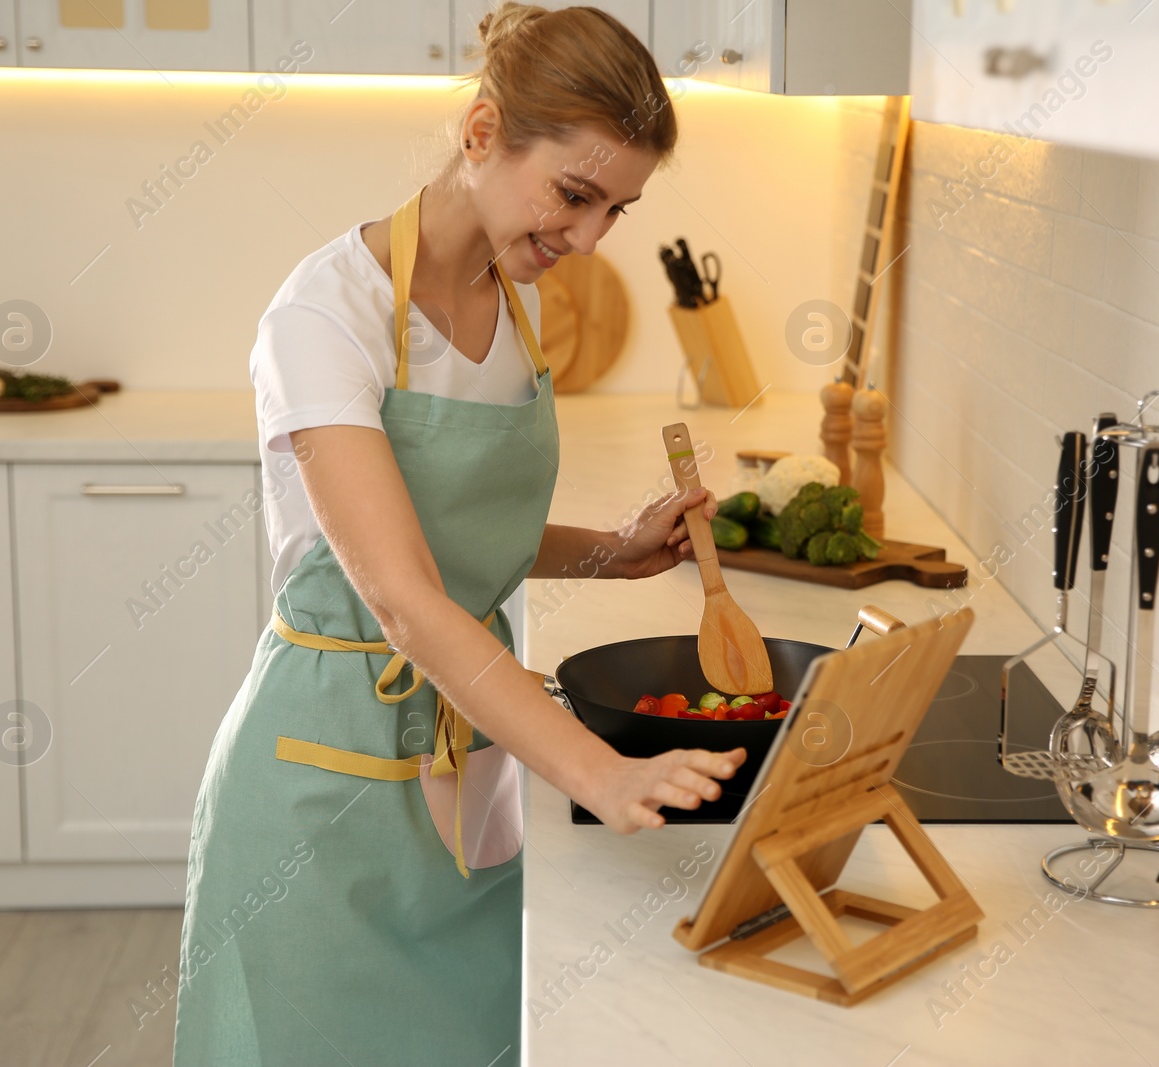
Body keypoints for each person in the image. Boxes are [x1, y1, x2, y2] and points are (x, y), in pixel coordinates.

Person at [171, 5, 748, 1064]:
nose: (586, 239)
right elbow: (402, 596)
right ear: (482, 133)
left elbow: (469, 539)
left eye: (616, 208)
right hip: (322, 789)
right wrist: (596, 769)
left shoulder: (513, 303)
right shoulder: (324, 316)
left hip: (468, 764)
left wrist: (614, 548)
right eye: (574, 194)